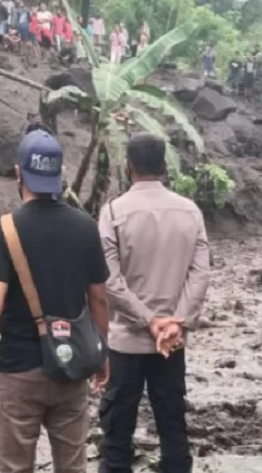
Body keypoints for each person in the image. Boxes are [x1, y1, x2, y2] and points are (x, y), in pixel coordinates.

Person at [0, 129, 109, 473]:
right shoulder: (84, 226)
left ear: (19, 173)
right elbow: (98, 300)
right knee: (73, 465)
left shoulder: (4, 230)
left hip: (19, 369)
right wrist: (101, 353)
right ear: (59, 175)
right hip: (71, 365)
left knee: (16, 466)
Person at [98, 133, 210, 473]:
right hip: (171, 344)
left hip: (126, 343)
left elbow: (110, 281)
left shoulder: (113, 211)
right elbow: (200, 274)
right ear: (163, 165)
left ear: (128, 165)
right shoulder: (190, 212)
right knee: (173, 427)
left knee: (117, 435)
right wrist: (176, 322)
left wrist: (148, 320)